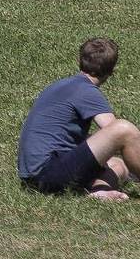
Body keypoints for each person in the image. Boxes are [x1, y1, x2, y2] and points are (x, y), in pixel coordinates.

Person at [16, 37, 134, 200]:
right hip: (48, 173)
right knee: (124, 129)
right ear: (112, 71)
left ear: (79, 60)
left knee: (117, 164)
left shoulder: (62, 85)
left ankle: (99, 192)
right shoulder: (86, 91)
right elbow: (113, 131)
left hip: (33, 176)